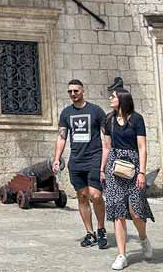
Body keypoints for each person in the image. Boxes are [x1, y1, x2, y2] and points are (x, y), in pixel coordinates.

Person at [101, 88, 155, 270]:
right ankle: (122, 255)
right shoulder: (109, 120)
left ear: (122, 99)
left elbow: (142, 147)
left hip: (134, 168)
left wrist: (142, 172)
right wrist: (102, 169)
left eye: (113, 96)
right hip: (114, 168)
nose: (110, 98)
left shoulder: (137, 119)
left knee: (135, 211)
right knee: (118, 212)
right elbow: (107, 147)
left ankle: (143, 238)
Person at [53, 79, 108, 249]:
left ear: (83, 91)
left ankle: (101, 229)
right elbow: (62, 137)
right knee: (82, 196)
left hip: (94, 159)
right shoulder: (66, 113)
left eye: (76, 91)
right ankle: (90, 233)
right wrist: (57, 158)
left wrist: (105, 162)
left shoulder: (96, 111)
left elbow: (107, 138)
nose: (73, 94)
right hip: (76, 161)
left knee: (96, 196)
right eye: (70, 91)